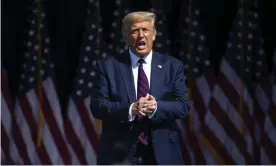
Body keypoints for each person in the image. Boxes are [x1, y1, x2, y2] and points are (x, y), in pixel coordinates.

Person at [90, 11, 190, 165]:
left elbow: (183, 106)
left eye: (146, 30)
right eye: (135, 30)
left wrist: (156, 107)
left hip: (163, 155)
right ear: (125, 36)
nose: (141, 35)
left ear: (154, 35)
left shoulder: (172, 66)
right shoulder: (108, 67)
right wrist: (131, 109)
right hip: (119, 156)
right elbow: (97, 106)